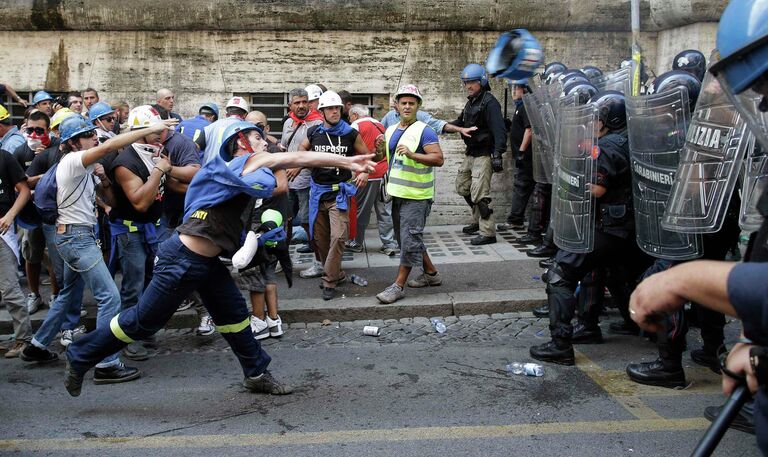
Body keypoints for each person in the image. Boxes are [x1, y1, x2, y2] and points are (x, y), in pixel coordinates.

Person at [63, 119, 375, 397]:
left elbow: (278, 176)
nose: (264, 142)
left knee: (234, 315)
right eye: (256, 138)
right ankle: (81, 355)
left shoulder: (223, 171)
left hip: (204, 262)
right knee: (142, 323)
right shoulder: (244, 162)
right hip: (182, 262)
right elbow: (295, 158)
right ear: (240, 142)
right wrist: (346, 161)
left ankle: (255, 374)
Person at [631, 1, 768, 452]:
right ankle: (709, 349)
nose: (763, 100)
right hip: (714, 223)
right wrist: (752, 340)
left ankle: (672, 365)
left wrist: (682, 278)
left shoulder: (696, 130)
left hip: (698, 224)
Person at [19, 114, 155, 388]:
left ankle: (37, 344)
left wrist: (104, 180)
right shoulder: (71, 161)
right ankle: (106, 363)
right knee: (110, 298)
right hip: (76, 239)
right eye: (88, 135)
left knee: (68, 294)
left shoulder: (82, 167)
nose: (94, 137)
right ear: (72, 143)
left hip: (76, 236)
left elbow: (104, 200)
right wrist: (152, 128)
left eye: (94, 134)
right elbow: (107, 147)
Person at [530, 91, 648, 365]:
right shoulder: (634, 139)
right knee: (616, 273)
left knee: (561, 274)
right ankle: (634, 324)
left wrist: (570, 180)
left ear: (611, 120)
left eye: (598, 118)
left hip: (609, 226)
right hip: (630, 228)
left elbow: (596, 189)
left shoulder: (605, 146)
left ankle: (560, 343)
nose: (593, 122)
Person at [298, 90, 370, 301]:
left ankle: (329, 281)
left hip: (338, 194)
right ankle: (336, 273)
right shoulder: (313, 132)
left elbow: (365, 157)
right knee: (319, 240)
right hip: (317, 194)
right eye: (330, 108)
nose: (334, 111)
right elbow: (303, 151)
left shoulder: (350, 133)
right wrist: (296, 165)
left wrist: (364, 171)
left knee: (338, 236)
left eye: (337, 108)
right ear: (322, 111)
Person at [376, 84, 444, 304]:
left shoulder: (425, 130)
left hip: (417, 196)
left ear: (418, 106)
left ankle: (398, 286)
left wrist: (414, 155)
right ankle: (431, 274)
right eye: (403, 103)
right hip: (397, 194)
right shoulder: (390, 129)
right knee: (406, 238)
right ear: (396, 105)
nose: (407, 106)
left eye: (411, 103)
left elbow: (438, 159)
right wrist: (378, 150)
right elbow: (385, 160)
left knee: (409, 238)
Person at [449, 63, 507, 246]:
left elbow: (500, 131)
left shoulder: (490, 103)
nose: (468, 86)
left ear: (481, 81)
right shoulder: (471, 102)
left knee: (481, 194)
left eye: (472, 82)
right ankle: (476, 220)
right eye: (466, 82)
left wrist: (497, 154)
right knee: (462, 187)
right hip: (471, 153)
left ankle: (488, 232)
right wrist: (441, 126)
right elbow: (460, 121)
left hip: (483, 154)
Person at [13, 110, 57, 315]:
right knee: (31, 255)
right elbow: (16, 183)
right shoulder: (21, 152)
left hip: (54, 215)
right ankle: (34, 294)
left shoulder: (57, 149)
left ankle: (56, 295)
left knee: (55, 258)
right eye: (30, 129)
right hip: (29, 216)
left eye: (39, 130)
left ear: (48, 130)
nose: (34, 134)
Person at [281, 88, 324, 273]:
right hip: (287, 183)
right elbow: (285, 149)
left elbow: (319, 155)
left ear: (309, 103)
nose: (301, 106)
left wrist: (298, 167)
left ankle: (319, 263)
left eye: (304, 102)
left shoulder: (318, 123)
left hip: (308, 183)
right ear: (290, 105)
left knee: (309, 224)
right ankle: (284, 261)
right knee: (285, 222)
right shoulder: (288, 123)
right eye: (297, 102)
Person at [347, 104, 399, 255]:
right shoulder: (380, 125)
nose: (350, 121)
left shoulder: (356, 125)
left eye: (350, 117)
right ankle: (389, 243)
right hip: (385, 173)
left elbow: (351, 149)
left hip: (366, 175)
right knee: (384, 211)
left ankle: (356, 242)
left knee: (361, 211)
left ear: (355, 115)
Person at [0, 144, 33, 358]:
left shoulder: (4, 158)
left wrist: (10, 215)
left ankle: (23, 338)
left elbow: (24, 190)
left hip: (2, 233)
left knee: (9, 288)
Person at [505, 79, 535, 239]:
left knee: (521, 186)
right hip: (523, 156)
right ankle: (516, 218)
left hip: (527, 157)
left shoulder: (525, 107)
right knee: (522, 186)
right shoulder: (520, 107)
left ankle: (516, 219)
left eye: (515, 89)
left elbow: (529, 130)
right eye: (511, 89)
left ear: (523, 89)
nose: (512, 92)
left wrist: (522, 152)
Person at [201, 97, 249, 164]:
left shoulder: (209, 127)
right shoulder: (245, 129)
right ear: (245, 115)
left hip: (209, 170)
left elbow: (196, 147)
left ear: (227, 114)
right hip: (231, 172)